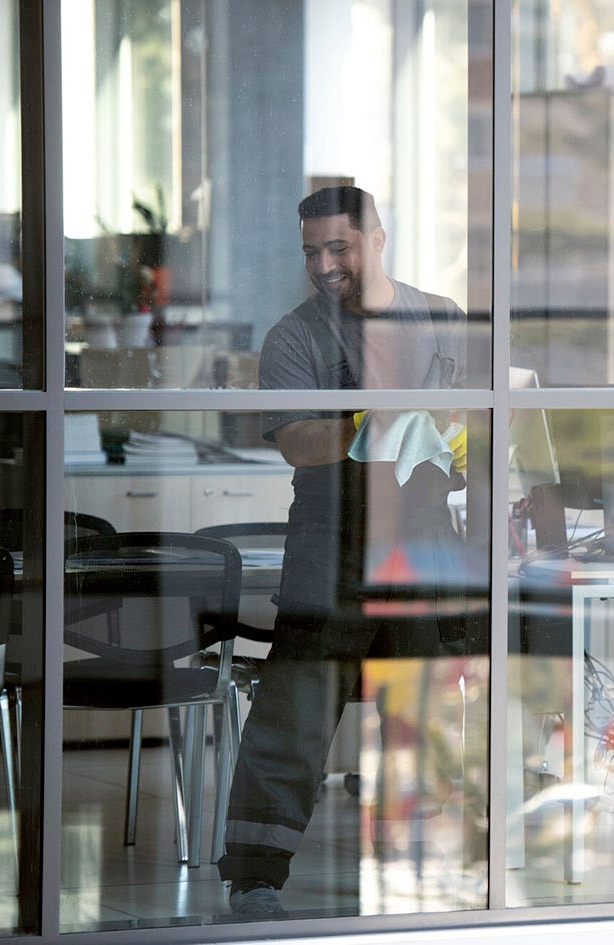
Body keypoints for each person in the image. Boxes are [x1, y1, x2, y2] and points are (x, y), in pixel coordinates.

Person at [221, 186, 469, 917]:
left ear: (378, 237)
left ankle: (428, 864)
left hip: (424, 540)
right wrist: (371, 420)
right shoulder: (293, 338)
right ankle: (255, 875)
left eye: (339, 248)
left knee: (425, 708)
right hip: (329, 541)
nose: (324, 264)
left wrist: (465, 441)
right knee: (293, 714)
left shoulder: (444, 318)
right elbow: (297, 439)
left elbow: (478, 420)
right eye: (310, 252)